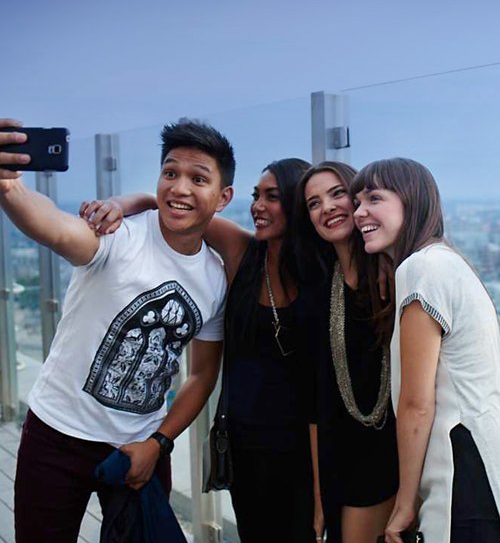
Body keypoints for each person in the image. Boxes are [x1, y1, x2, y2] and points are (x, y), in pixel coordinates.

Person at [0, 118, 235, 543]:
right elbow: (55, 227)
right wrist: (10, 187)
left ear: (223, 198)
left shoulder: (215, 279)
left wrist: (158, 444)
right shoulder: (119, 235)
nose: (179, 188)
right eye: (170, 173)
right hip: (57, 435)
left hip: (139, 448)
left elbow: (201, 375)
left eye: (198, 178)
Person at [81, 158, 317, 543]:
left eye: (272, 197)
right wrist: (119, 205)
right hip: (246, 444)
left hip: (305, 447)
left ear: (296, 204)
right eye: (256, 195)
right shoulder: (244, 252)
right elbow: (167, 206)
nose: (258, 205)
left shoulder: (321, 275)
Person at [351, 157, 500, 543]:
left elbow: (417, 405)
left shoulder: (422, 268)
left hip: (461, 474)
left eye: (374, 198)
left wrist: (404, 504)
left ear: (412, 201)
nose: (359, 211)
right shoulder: (449, 261)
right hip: (483, 468)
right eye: (357, 202)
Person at [295, 162, 399, 543]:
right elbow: (316, 404)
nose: (327, 207)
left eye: (337, 193)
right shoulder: (318, 294)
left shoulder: (396, 276)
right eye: (313, 203)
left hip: (396, 458)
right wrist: (320, 501)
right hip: (341, 462)